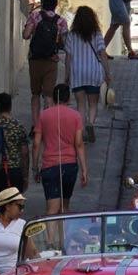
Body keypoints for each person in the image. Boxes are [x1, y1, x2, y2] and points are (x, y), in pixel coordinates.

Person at [34, 83, 88, 215]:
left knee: (51, 208)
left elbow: (36, 143)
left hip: (49, 166)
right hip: (69, 165)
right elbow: (79, 144)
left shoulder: (43, 115)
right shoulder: (76, 116)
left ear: (53, 98)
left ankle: (51, 236)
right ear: (69, 99)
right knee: (64, 206)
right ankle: (63, 235)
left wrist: (35, 167)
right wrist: (84, 169)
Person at [65, 2, 109, 137]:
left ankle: (82, 130)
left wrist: (66, 76)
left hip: (77, 73)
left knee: (80, 105)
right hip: (93, 72)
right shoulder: (96, 33)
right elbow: (102, 54)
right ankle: (91, 123)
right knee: (93, 103)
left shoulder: (71, 35)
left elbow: (68, 57)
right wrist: (107, 73)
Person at [0, 91, 30, 210]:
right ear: (10, 107)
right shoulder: (18, 126)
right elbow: (24, 153)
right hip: (13, 172)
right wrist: (25, 176)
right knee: (13, 209)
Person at [25, 0, 66, 112]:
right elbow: (64, 43)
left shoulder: (34, 16)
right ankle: (48, 126)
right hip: (51, 60)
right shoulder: (61, 21)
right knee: (49, 95)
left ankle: (36, 126)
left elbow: (26, 35)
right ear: (56, 4)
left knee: (35, 94)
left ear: (42, 3)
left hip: (35, 60)